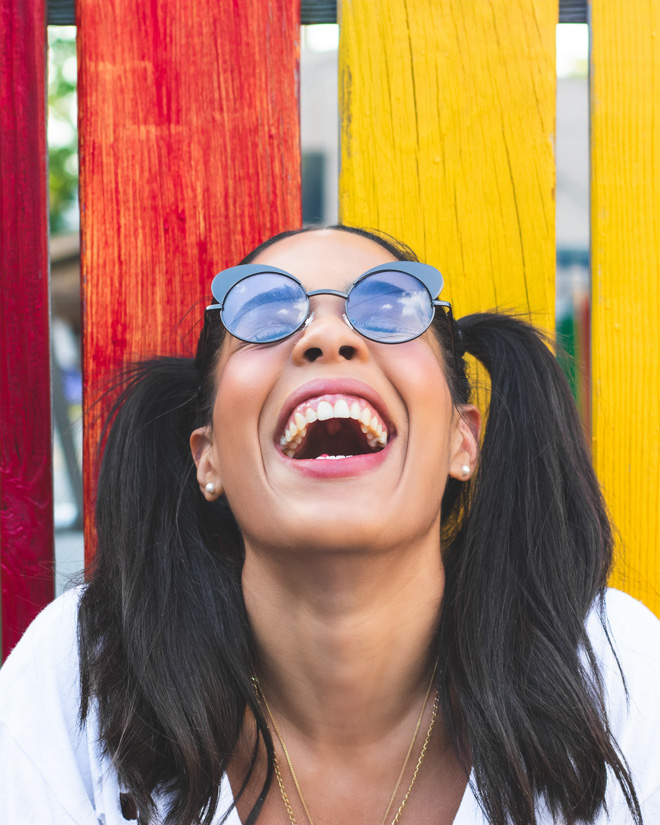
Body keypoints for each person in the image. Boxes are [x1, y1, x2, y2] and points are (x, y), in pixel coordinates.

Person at [1, 225, 659, 825]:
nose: (326, 336)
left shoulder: (613, 671)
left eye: (391, 306)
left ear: (463, 441)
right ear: (209, 459)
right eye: (261, 314)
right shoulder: (84, 675)